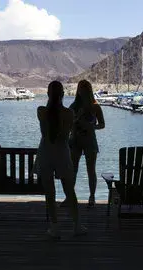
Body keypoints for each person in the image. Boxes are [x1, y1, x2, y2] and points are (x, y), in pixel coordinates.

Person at [33, 81, 85, 239]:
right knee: (69, 191)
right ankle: (77, 225)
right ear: (63, 94)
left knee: (50, 193)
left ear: (48, 94)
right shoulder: (69, 114)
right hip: (62, 152)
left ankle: (54, 227)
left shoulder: (41, 111)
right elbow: (66, 134)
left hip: (46, 152)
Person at [67, 79, 105, 207]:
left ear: (89, 90)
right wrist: (77, 118)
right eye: (80, 88)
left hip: (90, 140)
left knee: (91, 170)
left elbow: (102, 124)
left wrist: (92, 127)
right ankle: (70, 197)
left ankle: (92, 197)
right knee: (73, 169)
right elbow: (67, 124)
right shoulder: (73, 106)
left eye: (84, 89)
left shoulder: (95, 106)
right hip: (75, 140)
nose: (82, 91)